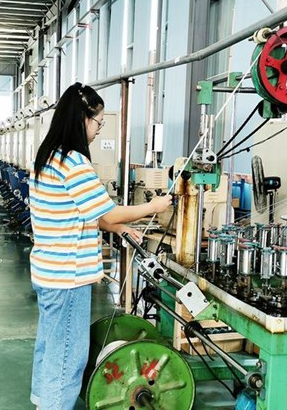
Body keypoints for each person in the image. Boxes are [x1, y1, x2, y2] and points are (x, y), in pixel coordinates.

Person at [29, 82, 172, 409]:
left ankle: (43, 401)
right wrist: (153, 207)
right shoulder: (74, 161)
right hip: (68, 277)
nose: (97, 130)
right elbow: (106, 210)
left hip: (49, 272)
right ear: (82, 119)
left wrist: (118, 228)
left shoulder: (48, 156)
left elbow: (81, 212)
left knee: (50, 345)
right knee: (68, 357)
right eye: (98, 123)